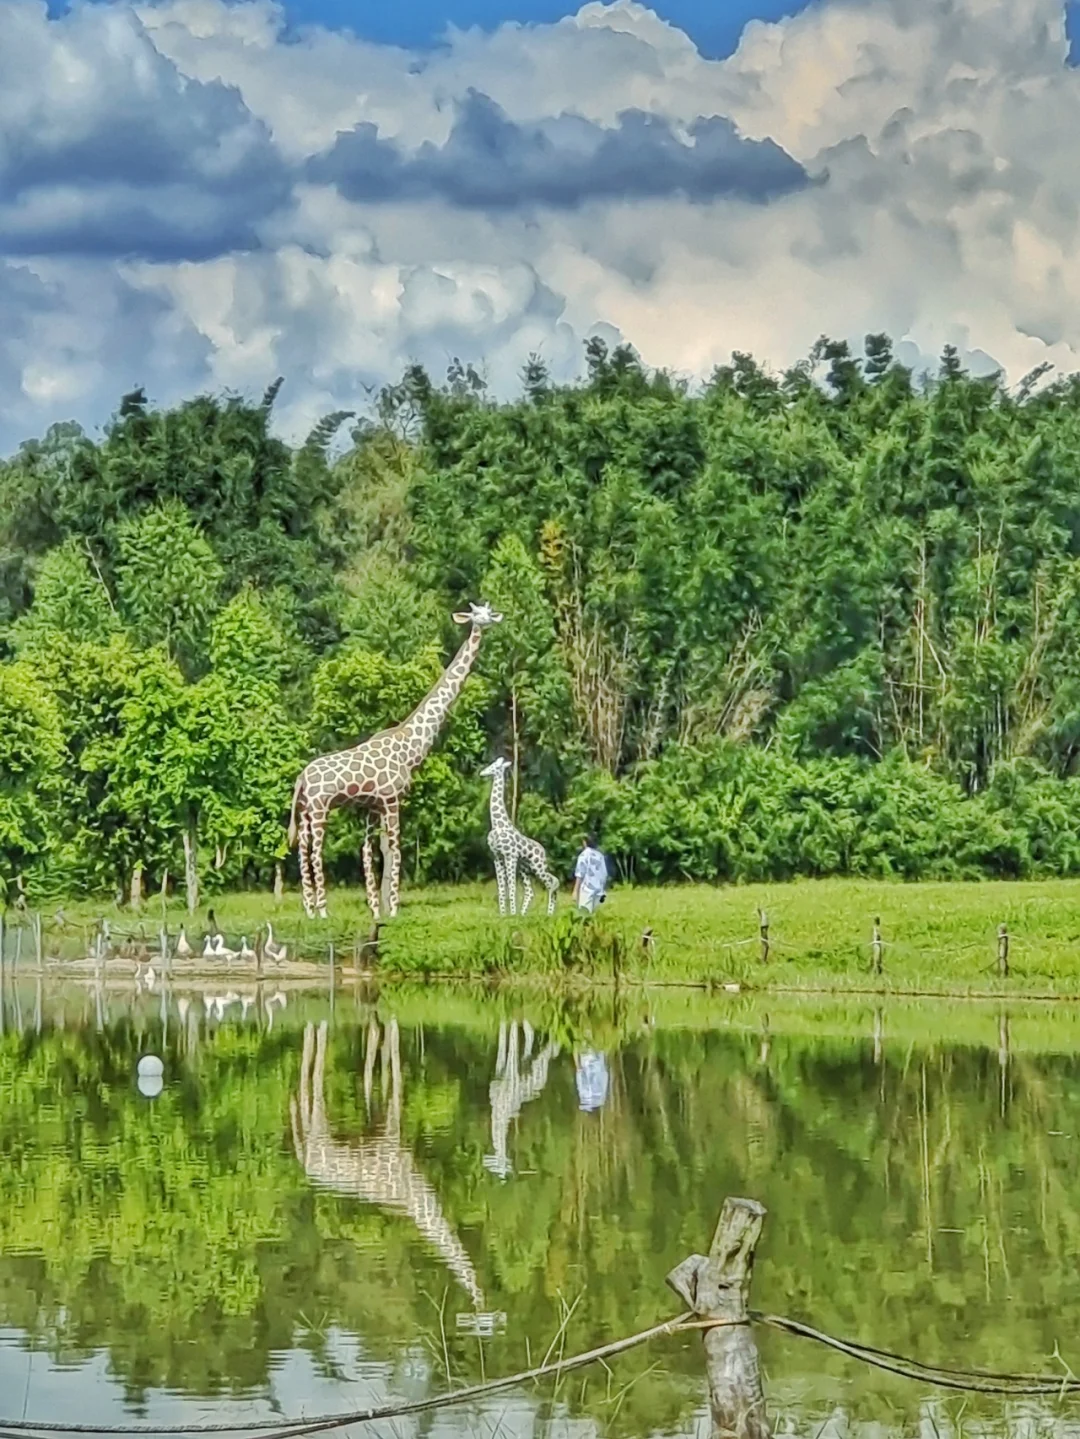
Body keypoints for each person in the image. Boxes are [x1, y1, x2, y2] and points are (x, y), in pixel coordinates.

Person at [572, 834, 609, 914]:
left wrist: (575, 891)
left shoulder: (584, 855)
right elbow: (604, 874)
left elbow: (579, 874)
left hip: (586, 890)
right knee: (595, 917)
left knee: (584, 915)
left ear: (585, 842)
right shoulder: (600, 856)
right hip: (599, 891)